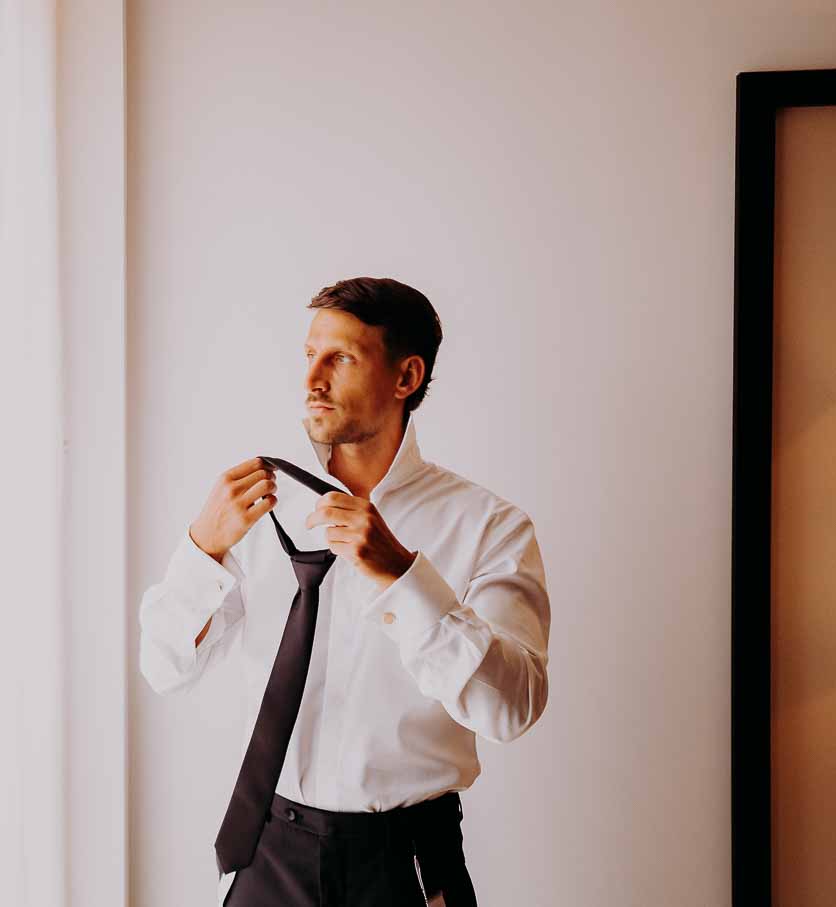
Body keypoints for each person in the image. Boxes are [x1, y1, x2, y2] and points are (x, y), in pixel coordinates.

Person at [138, 277, 552, 906]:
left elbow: (511, 709)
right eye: (310, 355)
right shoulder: (257, 508)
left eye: (341, 358)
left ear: (406, 376)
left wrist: (405, 578)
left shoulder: (488, 527)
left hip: (406, 865)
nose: (312, 380)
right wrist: (202, 549)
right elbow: (165, 669)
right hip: (265, 853)